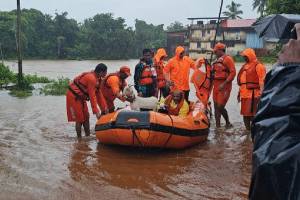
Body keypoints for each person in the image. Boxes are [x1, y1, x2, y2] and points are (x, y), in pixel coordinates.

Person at [249, 24, 300, 199]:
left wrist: (289, 72)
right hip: (268, 96)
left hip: (262, 95)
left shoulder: (260, 67)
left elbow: (271, 169)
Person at [66, 63, 107, 138]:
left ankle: (87, 136)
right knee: (80, 119)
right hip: (73, 96)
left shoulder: (98, 79)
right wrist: (97, 112)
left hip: (81, 97)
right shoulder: (91, 79)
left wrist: (104, 108)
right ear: (101, 72)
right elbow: (92, 97)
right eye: (105, 72)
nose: (106, 74)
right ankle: (79, 139)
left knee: (86, 116)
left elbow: (99, 94)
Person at [237, 48, 266, 130]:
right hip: (244, 94)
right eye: (243, 57)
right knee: (245, 114)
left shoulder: (259, 66)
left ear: (250, 56)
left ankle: (255, 131)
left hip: (254, 94)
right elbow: (243, 81)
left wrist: (261, 94)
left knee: (253, 115)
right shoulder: (244, 66)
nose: (244, 58)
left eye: (245, 56)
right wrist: (239, 93)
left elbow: (262, 81)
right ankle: (247, 132)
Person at [212, 42, 236, 128]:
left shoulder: (228, 59)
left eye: (216, 51)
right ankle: (218, 127)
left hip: (225, 86)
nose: (214, 53)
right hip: (216, 86)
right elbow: (212, 74)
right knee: (215, 107)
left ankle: (228, 122)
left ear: (221, 50)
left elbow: (233, 73)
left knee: (220, 106)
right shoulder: (215, 61)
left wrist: (224, 83)